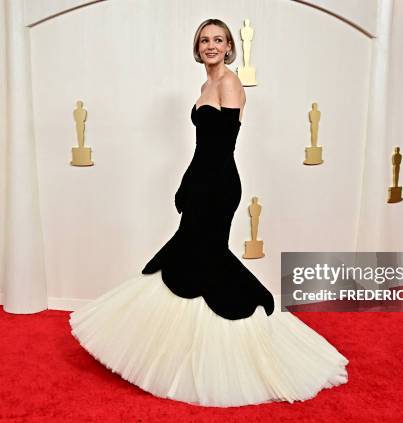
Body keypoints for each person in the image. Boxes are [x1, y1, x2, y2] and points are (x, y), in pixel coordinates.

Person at [69, 18, 348, 408]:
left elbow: (222, 146)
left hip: (217, 184)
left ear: (230, 46)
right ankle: (190, 350)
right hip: (202, 178)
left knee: (207, 259)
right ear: (197, 48)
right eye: (205, 40)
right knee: (195, 262)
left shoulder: (230, 83)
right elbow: (204, 147)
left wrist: (196, 185)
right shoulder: (205, 86)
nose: (211, 46)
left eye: (218, 40)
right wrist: (187, 181)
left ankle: (257, 329)